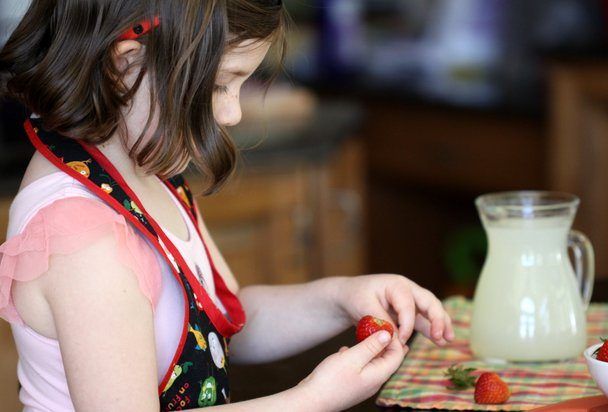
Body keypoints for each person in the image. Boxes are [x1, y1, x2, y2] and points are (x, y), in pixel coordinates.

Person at [0, 1, 455, 411]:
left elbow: (222, 321)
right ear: (126, 66)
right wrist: (310, 401)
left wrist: (342, 298)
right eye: (220, 84)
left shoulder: (141, 171)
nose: (232, 113)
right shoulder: (82, 239)